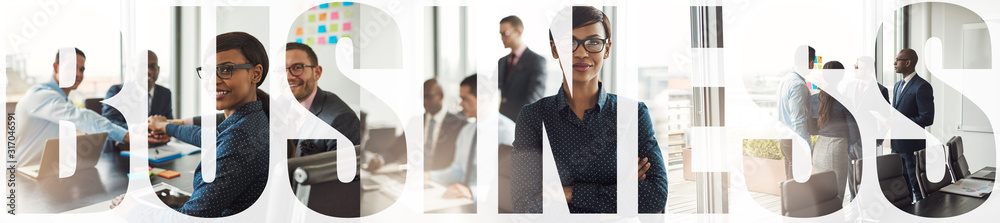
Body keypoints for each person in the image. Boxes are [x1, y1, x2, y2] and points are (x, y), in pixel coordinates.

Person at [511, 6, 667, 213]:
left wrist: (568, 193)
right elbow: (525, 205)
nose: (582, 53)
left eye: (594, 42)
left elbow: (655, 195)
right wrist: (620, 192)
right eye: (569, 43)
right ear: (555, 49)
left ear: (607, 48)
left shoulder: (633, 113)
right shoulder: (533, 117)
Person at [128, 32, 271, 217]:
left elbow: (191, 217)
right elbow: (205, 134)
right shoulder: (254, 117)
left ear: (255, 74)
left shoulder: (240, 135)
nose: (214, 80)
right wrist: (166, 126)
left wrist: (132, 211)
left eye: (226, 69)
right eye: (209, 71)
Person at [13, 48, 132, 168]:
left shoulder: (64, 101)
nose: (78, 74)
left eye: (81, 69)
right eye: (72, 67)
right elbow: (82, 117)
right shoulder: (39, 95)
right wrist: (126, 135)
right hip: (18, 176)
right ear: (56, 67)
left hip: (44, 172)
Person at [284, 42, 362, 157]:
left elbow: (346, 173)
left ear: (317, 73)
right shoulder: (276, 106)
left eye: (297, 68)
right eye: (281, 70)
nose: (288, 77)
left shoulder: (341, 119)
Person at [101, 50, 173, 151]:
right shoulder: (117, 92)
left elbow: (168, 121)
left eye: (153, 66)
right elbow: (108, 123)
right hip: (121, 151)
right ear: (134, 69)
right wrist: (138, 128)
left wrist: (162, 132)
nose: (148, 71)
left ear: (158, 70)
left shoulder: (165, 93)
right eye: (143, 67)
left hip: (155, 152)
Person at [812, 61, 860, 202]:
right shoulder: (845, 101)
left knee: (821, 194)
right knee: (836, 195)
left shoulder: (814, 99)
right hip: (837, 148)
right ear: (841, 76)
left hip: (819, 148)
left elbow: (812, 126)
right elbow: (855, 134)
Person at [891, 48, 934, 201]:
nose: (894, 63)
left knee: (917, 188)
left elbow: (927, 118)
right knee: (900, 190)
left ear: (908, 63)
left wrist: (901, 122)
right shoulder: (897, 86)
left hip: (912, 147)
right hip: (896, 146)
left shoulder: (922, 86)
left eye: (898, 60)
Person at [427, 75, 479, 201]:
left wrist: (472, 192)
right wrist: (428, 176)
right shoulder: (467, 131)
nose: (461, 104)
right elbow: (457, 171)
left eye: (465, 99)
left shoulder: (508, 133)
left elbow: (511, 184)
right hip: (461, 199)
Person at [776, 46, 817, 180]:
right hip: (796, 143)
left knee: (791, 185)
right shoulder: (798, 84)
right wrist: (807, 146)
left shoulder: (785, 80)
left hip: (785, 140)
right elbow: (798, 119)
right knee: (799, 185)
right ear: (811, 63)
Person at [498, 15, 547, 121]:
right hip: (503, 121)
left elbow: (534, 97)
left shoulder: (536, 61)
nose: (502, 38)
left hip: (523, 122)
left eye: (505, 34)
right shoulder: (502, 61)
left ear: (519, 32)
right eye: (500, 34)